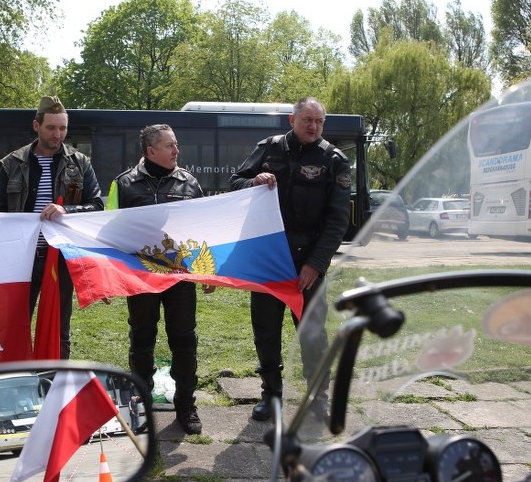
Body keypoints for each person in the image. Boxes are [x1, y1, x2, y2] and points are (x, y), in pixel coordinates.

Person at [228, 98, 351, 423]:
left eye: (319, 121)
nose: (313, 126)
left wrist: (316, 263)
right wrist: (253, 181)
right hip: (268, 260)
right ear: (291, 120)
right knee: (266, 331)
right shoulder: (268, 149)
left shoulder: (334, 160)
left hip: (307, 263)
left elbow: (338, 220)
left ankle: (317, 397)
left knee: (312, 335)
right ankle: (271, 394)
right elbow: (235, 183)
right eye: (307, 119)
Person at [108, 124, 212, 435]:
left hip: (180, 277)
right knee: (141, 338)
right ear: (151, 151)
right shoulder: (123, 184)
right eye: (170, 146)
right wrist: (107, 277)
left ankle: (186, 404)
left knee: (184, 339)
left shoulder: (189, 182)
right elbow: (108, 232)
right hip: (140, 277)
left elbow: (204, 228)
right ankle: (140, 403)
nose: (177, 151)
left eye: (176, 144)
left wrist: (208, 270)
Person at [0, 96, 103, 359]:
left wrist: (68, 210)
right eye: (51, 127)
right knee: (14, 325)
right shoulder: (11, 163)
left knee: (59, 327)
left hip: (61, 258)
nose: (57, 134)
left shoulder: (80, 162)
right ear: (36, 126)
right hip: (21, 259)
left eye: (62, 128)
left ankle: (56, 377)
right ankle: (15, 377)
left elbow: (97, 205)